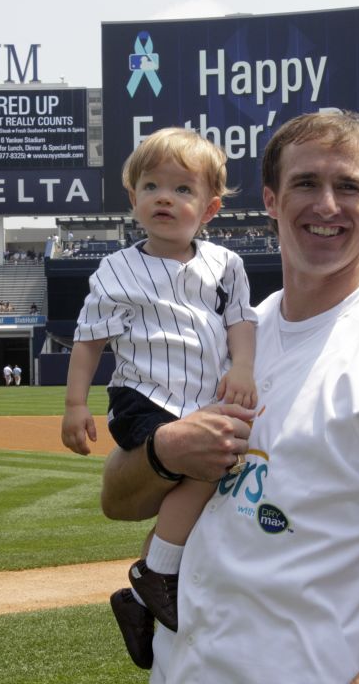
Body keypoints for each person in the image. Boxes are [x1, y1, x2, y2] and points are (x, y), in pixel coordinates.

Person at [100, 111, 359, 680]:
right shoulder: (226, 341)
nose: (327, 205)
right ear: (270, 198)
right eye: (306, 183)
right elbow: (119, 498)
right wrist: (165, 451)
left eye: (348, 186)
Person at [61, 128, 257, 656]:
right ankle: (155, 575)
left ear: (211, 208)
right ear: (133, 199)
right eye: (151, 186)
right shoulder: (116, 268)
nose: (164, 197)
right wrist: (75, 404)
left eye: (182, 189)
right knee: (204, 470)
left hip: (200, 400)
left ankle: (141, 597)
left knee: (198, 490)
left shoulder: (226, 265)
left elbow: (241, 322)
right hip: (142, 396)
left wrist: (242, 368)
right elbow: (88, 342)